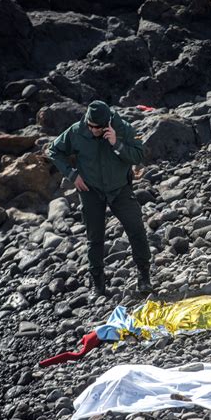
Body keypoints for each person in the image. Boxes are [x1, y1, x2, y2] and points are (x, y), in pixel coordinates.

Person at [47, 100, 152, 296]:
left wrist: (116, 143)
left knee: (136, 229)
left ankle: (144, 277)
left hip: (119, 189)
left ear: (107, 124)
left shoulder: (123, 129)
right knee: (94, 238)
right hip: (91, 191)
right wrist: (72, 175)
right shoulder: (77, 131)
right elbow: (53, 151)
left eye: (98, 127)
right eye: (90, 125)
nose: (93, 130)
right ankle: (98, 283)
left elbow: (138, 156)